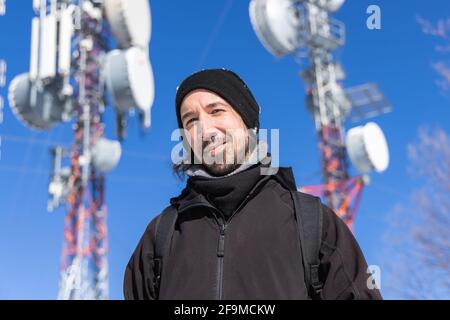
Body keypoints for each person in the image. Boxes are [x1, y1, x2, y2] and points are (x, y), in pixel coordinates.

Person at [123, 68, 382, 300]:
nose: (205, 130)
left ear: (247, 122)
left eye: (217, 111)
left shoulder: (311, 223)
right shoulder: (161, 235)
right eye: (191, 120)